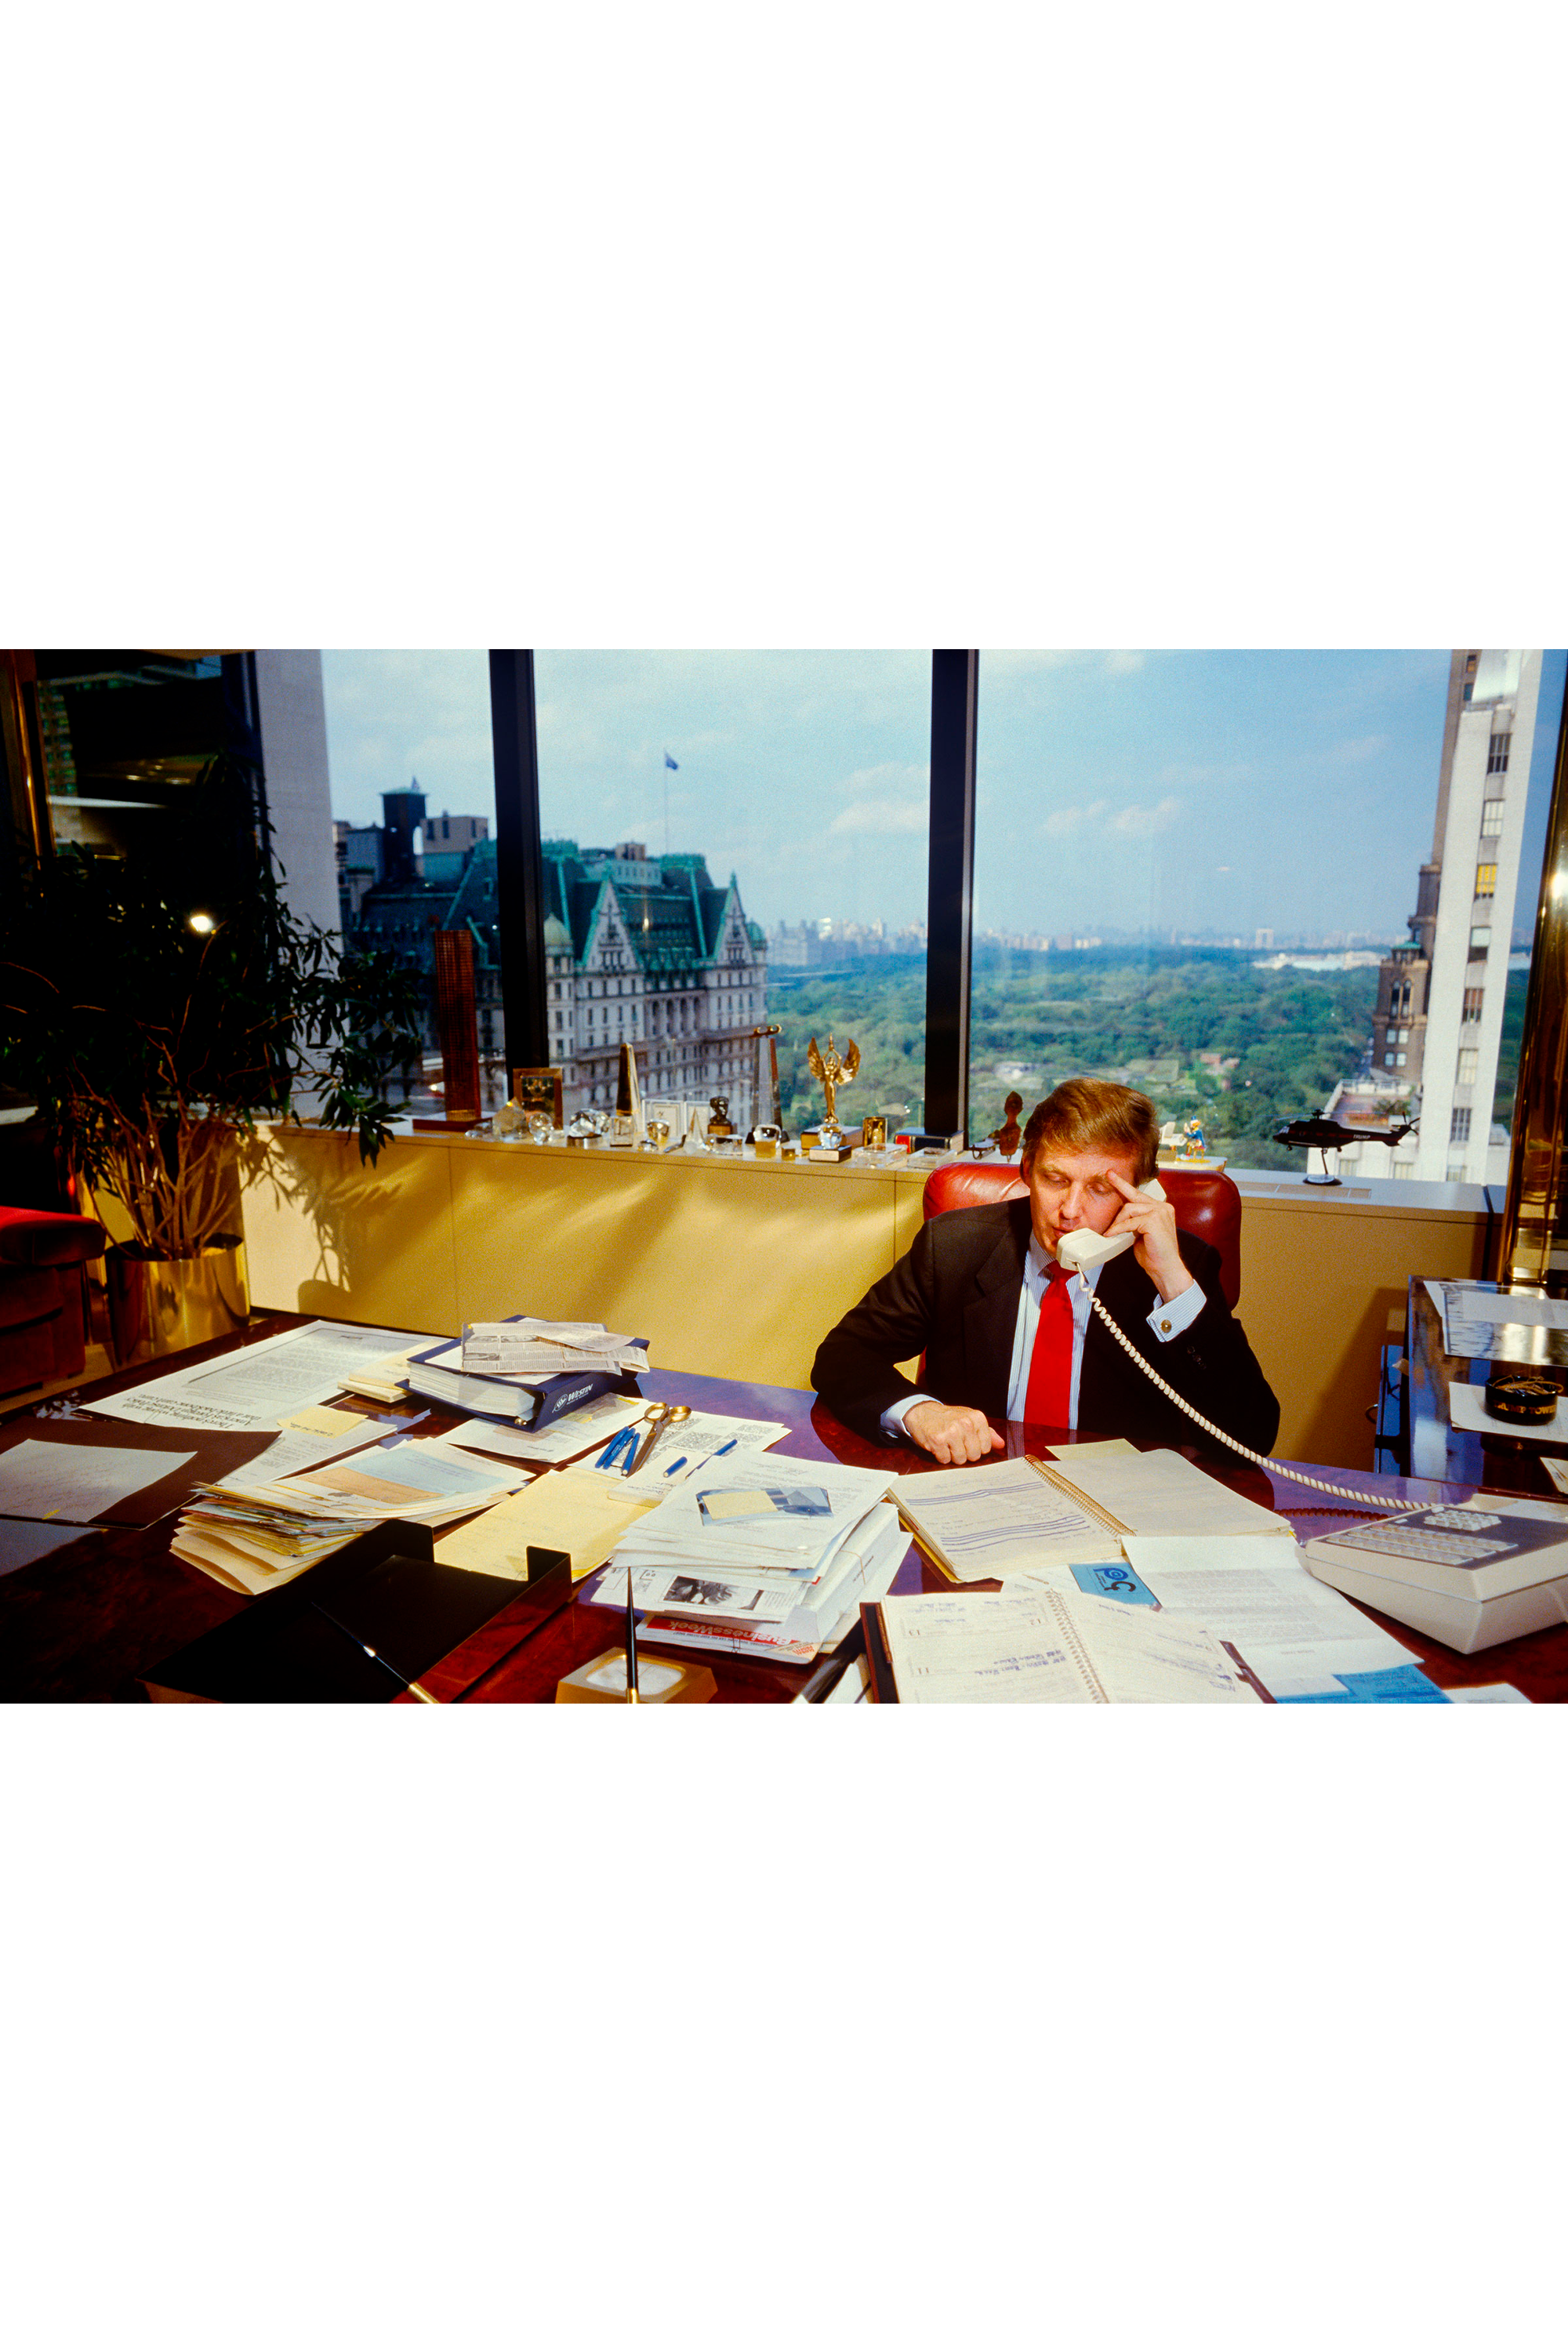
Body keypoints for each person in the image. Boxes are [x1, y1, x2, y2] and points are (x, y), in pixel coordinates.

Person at [811, 1078, 1279, 1465]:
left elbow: (1252, 1436)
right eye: (1056, 1180)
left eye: (1101, 1189)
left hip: (1119, 1502)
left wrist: (1172, 1283)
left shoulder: (1180, 1266)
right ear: (1027, 1170)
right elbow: (843, 1356)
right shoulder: (954, 1246)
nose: (1070, 1211)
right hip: (980, 1488)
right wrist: (920, 1413)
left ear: (1140, 1193)